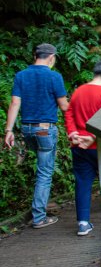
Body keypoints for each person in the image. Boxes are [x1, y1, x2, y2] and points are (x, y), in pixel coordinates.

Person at [3, 43, 68, 229]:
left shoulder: (21, 75)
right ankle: (39, 216)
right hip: (45, 130)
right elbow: (64, 107)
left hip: (27, 130)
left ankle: (39, 207)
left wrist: (9, 130)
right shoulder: (54, 76)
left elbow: (15, 103)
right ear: (51, 57)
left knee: (42, 168)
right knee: (45, 172)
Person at [64, 60, 101, 236]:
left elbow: (69, 112)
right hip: (100, 145)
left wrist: (72, 133)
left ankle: (83, 223)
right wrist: (94, 137)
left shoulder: (79, 91)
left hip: (78, 144)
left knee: (83, 183)